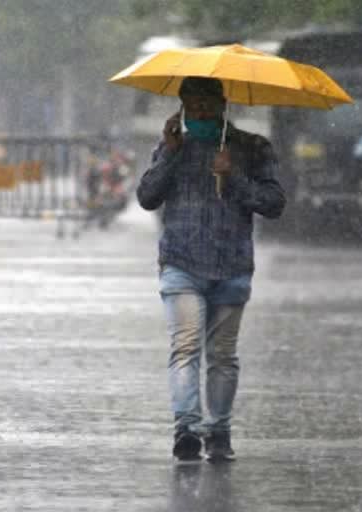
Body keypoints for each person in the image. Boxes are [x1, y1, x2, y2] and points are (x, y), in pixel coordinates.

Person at [136, 76, 286, 461]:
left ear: (223, 104)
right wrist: (169, 153)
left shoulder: (253, 147)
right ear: (183, 106)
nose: (200, 111)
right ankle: (186, 427)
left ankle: (218, 430)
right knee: (185, 347)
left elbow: (274, 202)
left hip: (231, 266)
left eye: (208, 103)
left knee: (222, 355)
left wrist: (232, 177)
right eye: (192, 104)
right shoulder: (174, 146)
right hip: (181, 263)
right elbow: (147, 197)